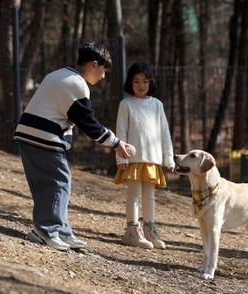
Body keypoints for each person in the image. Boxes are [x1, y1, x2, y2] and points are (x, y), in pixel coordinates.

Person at [13, 42, 131, 251]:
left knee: (47, 185)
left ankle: (61, 231)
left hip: (27, 135)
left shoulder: (57, 74)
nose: (103, 76)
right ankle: (46, 231)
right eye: (104, 70)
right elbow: (89, 123)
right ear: (94, 65)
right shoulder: (76, 84)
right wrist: (116, 142)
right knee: (59, 182)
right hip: (44, 138)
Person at [113, 62, 175, 249]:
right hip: (133, 159)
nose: (141, 85)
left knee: (150, 196)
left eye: (145, 81)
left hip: (152, 159)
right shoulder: (126, 104)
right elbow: (121, 133)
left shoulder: (157, 105)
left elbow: (165, 133)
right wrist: (122, 158)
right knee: (133, 194)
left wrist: (168, 158)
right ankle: (132, 231)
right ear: (130, 82)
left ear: (151, 82)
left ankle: (150, 229)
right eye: (136, 81)